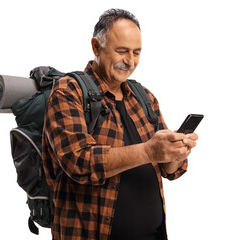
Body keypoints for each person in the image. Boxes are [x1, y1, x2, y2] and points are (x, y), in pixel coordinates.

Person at [41, 8, 199, 240]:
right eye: (122, 51)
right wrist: (148, 150)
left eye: (136, 52)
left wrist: (175, 153)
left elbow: (170, 170)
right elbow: (79, 162)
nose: (130, 61)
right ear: (96, 47)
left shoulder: (143, 96)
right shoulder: (68, 92)